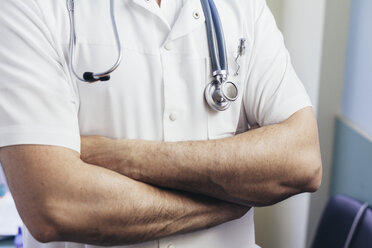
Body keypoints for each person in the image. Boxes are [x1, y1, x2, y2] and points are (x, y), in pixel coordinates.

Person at [0, 0, 322, 247]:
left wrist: (122, 156)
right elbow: (53, 205)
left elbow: (303, 160)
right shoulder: (28, 7)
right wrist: (226, 202)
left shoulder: (241, 7)